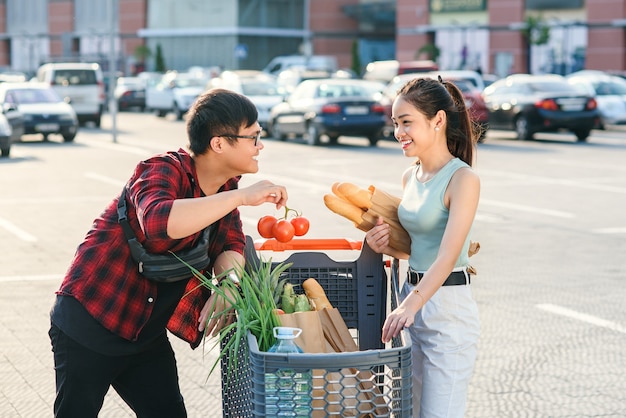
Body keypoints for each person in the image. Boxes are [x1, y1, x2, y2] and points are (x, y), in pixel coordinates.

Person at [48, 88, 288, 417]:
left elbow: (231, 243)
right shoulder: (160, 169)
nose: (261, 145)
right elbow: (160, 223)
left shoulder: (226, 189)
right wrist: (243, 197)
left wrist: (229, 283)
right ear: (219, 143)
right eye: (254, 136)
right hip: (91, 321)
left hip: (145, 336)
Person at [365, 76, 480, 418]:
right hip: (412, 297)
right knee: (411, 412)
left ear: (438, 120)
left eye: (406, 123)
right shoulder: (409, 176)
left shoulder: (463, 179)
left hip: (447, 308)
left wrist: (408, 306)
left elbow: (447, 255)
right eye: (395, 123)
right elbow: (416, 248)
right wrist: (381, 245)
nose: (399, 132)